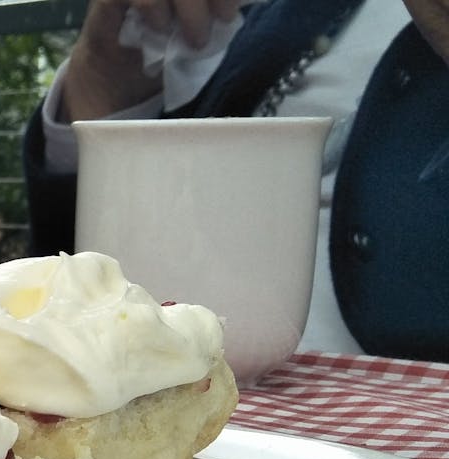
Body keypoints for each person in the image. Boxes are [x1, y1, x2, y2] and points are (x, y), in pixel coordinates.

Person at [24, 0, 449, 362]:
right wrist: (102, 74)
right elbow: (76, 277)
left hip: (395, 424)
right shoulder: (271, 18)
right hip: (155, 375)